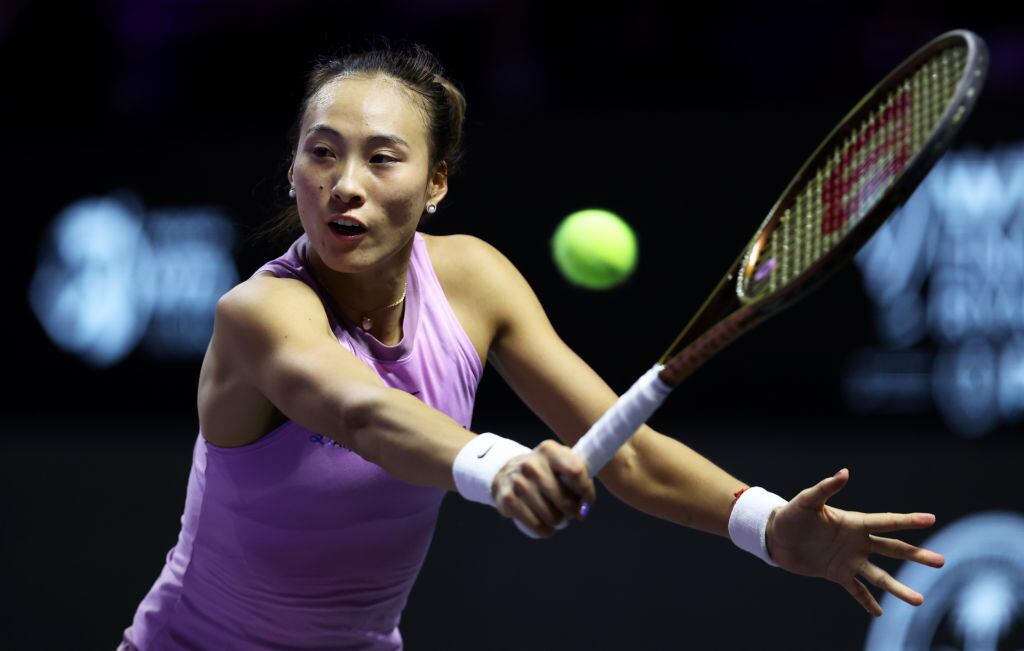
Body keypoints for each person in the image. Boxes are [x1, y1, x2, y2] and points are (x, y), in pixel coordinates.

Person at [119, 40, 945, 650]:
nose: (346, 184)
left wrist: (765, 525)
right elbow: (364, 413)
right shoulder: (259, 312)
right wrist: (502, 467)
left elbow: (625, 451)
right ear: (294, 168)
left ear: (436, 182)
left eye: (383, 158)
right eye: (322, 153)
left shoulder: (473, 280)